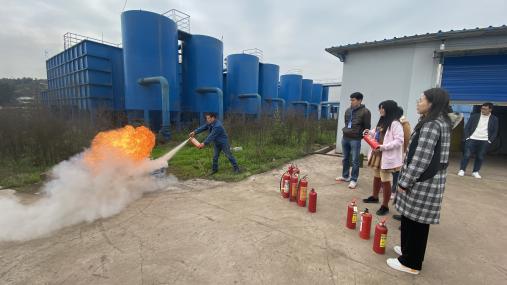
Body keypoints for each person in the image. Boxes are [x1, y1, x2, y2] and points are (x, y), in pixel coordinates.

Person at [387, 88, 451, 275]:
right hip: (427, 180)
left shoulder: (432, 124)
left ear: (432, 103)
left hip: (422, 181)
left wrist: (404, 182)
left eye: (421, 99)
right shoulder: (439, 121)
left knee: (417, 224)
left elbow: (421, 158)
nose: (418, 102)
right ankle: (407, 250)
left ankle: (411, 262)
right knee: (410, 219)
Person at [362, 100, 404, 215]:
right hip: (378, 154)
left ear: (388, 109)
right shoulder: (383, 121)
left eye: (382, 108)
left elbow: (399, 141)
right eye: (379, 107)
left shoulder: (395, 123)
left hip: (385, 155)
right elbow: (376, 132)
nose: (380, 110)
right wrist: (368, 132)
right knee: (376, 177)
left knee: (385, 180)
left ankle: (385, 206)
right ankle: (375, 196)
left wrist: (384, 147)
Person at [336, 92, 371, 189]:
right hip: (345, 137)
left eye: (353, 100)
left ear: (359, 100)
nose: (351, 102)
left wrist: (360, 136)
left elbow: (367, 127)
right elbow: (347, 123)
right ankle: (345, 176)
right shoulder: (348, 110)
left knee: (355, 160)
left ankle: (353, 179)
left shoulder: (365, 112)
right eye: (350, 100)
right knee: (345, 158)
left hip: (355, 139)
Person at [458, 102, 499, 179]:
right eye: (482, 108)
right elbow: (467, 127)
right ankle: (462, 170)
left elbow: (495, 131)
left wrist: (489, 141)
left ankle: (475, 172)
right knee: (466, 155)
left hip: (484, 140)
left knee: (480, 156)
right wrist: (467, 137)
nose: (483, 110)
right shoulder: (474, 116)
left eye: (485, 109)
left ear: (490, 110)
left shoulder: (494, 119)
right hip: (472, 139)